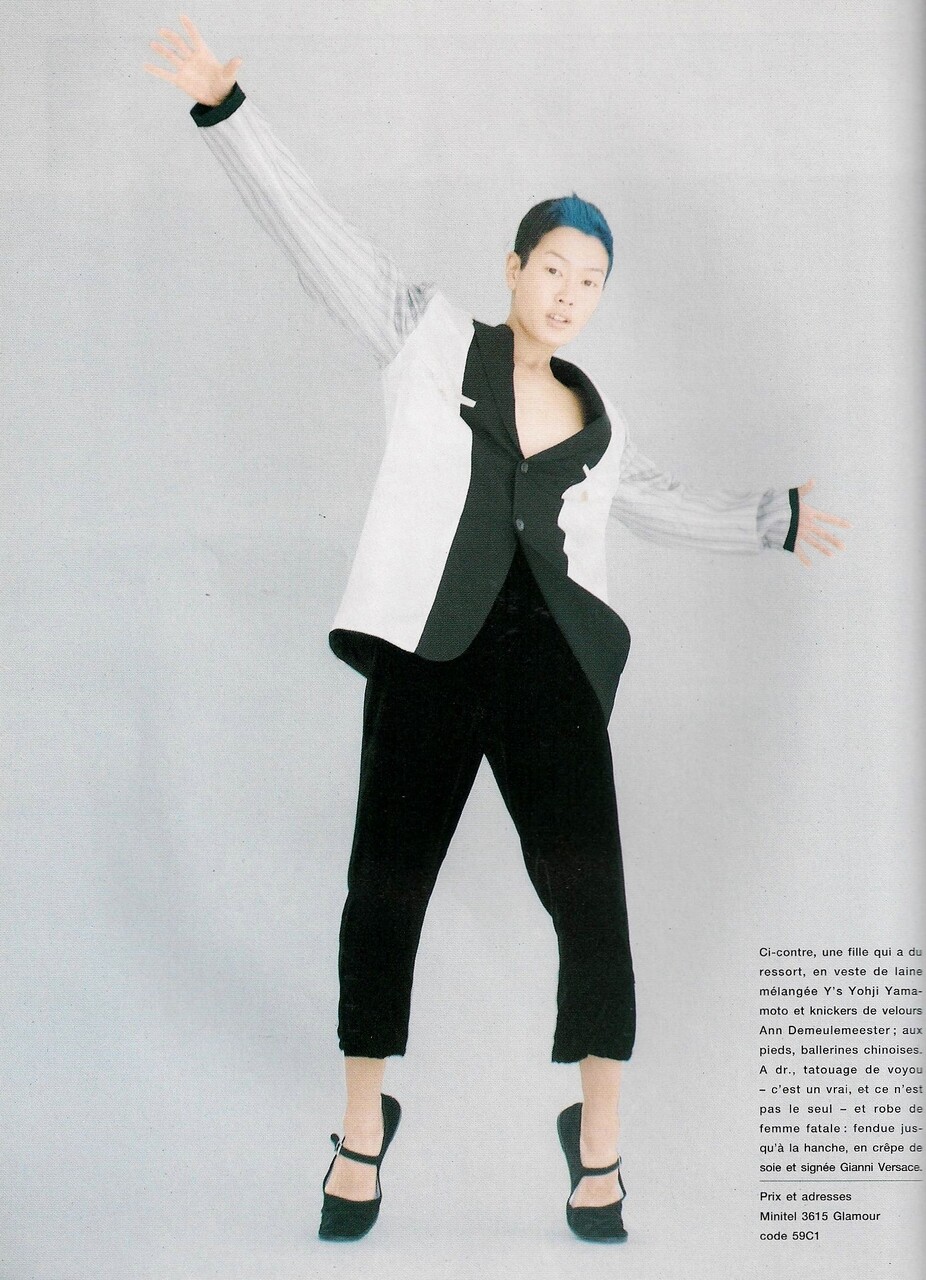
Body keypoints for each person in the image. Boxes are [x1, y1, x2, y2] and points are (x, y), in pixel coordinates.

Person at [144, 14, 850, 1244]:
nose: (568, 295)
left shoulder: (599, 424)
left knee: (593, 902)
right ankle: (359, 1128)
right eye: (553, 269)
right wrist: (226, 110)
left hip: (549, 673)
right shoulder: (427, 339)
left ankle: (599, 1143)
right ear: (513, 266)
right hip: (427, 654)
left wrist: (772, 519)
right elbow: (312, 232)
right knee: (384, 889)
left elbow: (660, 502)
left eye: (590, 282)